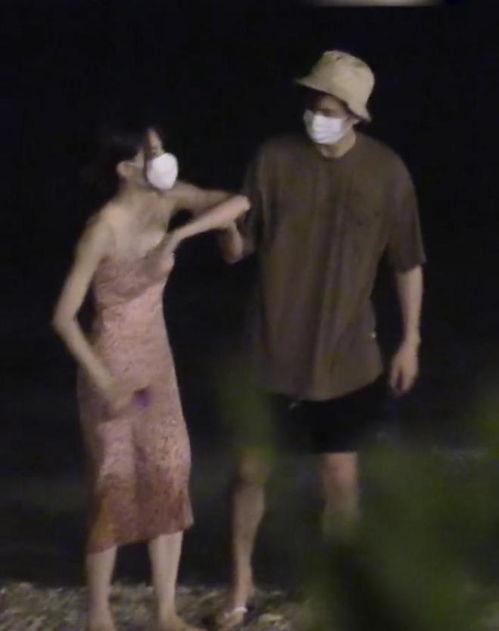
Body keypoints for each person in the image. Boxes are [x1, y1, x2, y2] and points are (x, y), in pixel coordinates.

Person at [216, 50, 425, 628]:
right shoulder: (273, 158)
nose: (316, 116)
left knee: (339, 479)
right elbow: (240, 248)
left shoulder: (387, 172)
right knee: (249, 471)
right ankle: (240, 583)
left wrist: (410, 339)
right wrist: (222, 228)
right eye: (312, 104)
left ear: (355, 115)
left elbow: (407, 262)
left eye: (330, 109)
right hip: (270, 347)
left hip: (346, 353)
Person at [52, 125, 250, 631]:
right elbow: (64, 317)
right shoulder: (104, 228)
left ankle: (165, 611)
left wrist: (214, 230)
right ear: (126, 168)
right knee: (114, 482)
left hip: (157, 361)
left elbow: (234, 200)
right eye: (152, 152)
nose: (163, 158)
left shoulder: (170, 199)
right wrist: (104, 382)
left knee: (170, 470)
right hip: (111, 363)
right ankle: (99, 615)